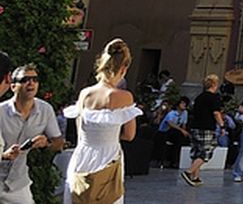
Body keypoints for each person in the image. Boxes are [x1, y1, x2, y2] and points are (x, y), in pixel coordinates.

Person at [62, 38, 141, 204]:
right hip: (108, 155)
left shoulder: (85, 93)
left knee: (78, 195)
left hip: (82, 153)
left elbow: (79, 129)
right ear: (124, 68)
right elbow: (129, 134)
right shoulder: (124, 97)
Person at [0, 64, 65, 204]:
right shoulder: (1, 111)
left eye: (35, 79)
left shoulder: (45, 110)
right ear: (13, 86)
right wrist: (4, 155)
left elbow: (59, 143)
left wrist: (46, 143)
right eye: (25, 80)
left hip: (18, 182)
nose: (31, 83)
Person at [181, 74, 224, 186]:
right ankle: (189, 171)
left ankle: (195, 177)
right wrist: (222, 125)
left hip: (195, 126)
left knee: (196, 152)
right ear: (214, 84)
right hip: (207, 127)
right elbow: (216, 113)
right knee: (206, 153)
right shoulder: (214, 97)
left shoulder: (199, 97)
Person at [157, 97, 190, 169]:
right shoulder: (172, 113)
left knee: (180, 139)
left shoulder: (185, 113)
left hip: (175, 132)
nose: (184, 105)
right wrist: (181, 130)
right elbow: (170, 123)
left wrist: (184, 132)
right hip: (164, 132)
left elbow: (184, 124)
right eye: (182, 103)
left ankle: (176, 161)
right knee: (176, 135)